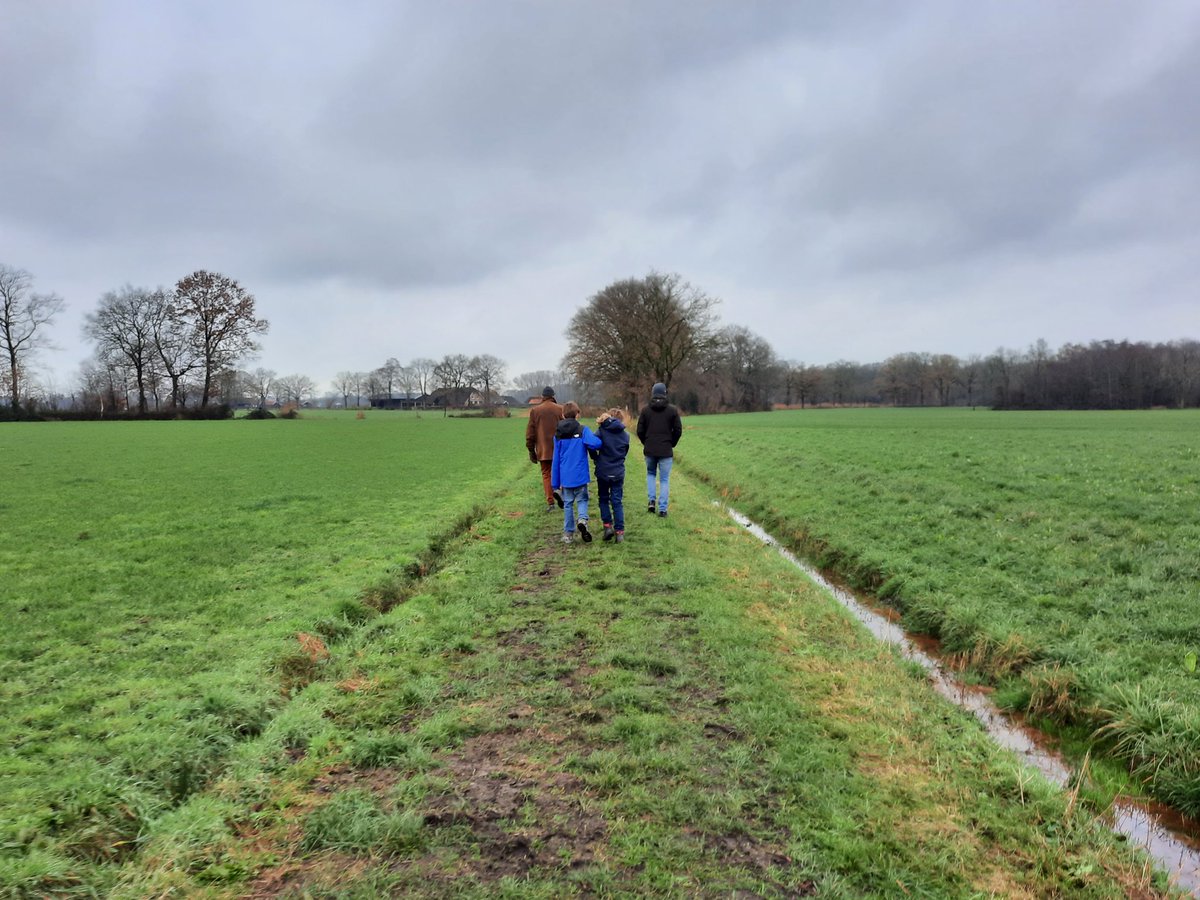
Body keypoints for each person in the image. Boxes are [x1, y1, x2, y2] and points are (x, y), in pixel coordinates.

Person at [551, 401, 601, 543]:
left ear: (562, 415)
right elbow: (596, 443)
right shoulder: (582, 430)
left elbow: (556, 460)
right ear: (577, 414)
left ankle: (568, 534)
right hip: (580, 475)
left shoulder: (558, 435)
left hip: (565, 477)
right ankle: (582, 520)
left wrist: (555, 483)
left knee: (567, 503)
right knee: (582, 499)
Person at [636, 382, 682, 517]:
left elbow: (640, 430)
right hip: (666, 450)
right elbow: (678, 430)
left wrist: (646, 442)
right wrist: (671, 443)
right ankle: (662, 509)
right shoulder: (672, 410)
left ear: (653, 393)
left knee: (650, 474)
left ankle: (651, 501)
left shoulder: (645, 410)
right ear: (665, 393)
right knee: (664, 479)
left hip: (650, 449)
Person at [590, 408, 630, 542]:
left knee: (603, 499)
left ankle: (607, 526)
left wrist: (595, 458)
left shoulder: (601, 431)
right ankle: (620, 532)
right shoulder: (625, 435)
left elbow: (591, 445)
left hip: (603, 471)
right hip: (618, 472)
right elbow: (624, 452)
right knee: (617, 501)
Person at [525, 386, 563, 511]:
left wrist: (531, 450)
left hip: (543, 450)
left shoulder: (535, 411)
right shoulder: (560, 409)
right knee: (560, 472)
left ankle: (551, 503)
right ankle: (560, 493)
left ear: (542, 396)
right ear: (553, 396)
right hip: (560, 448)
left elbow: (530, 433)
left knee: (546, 474)